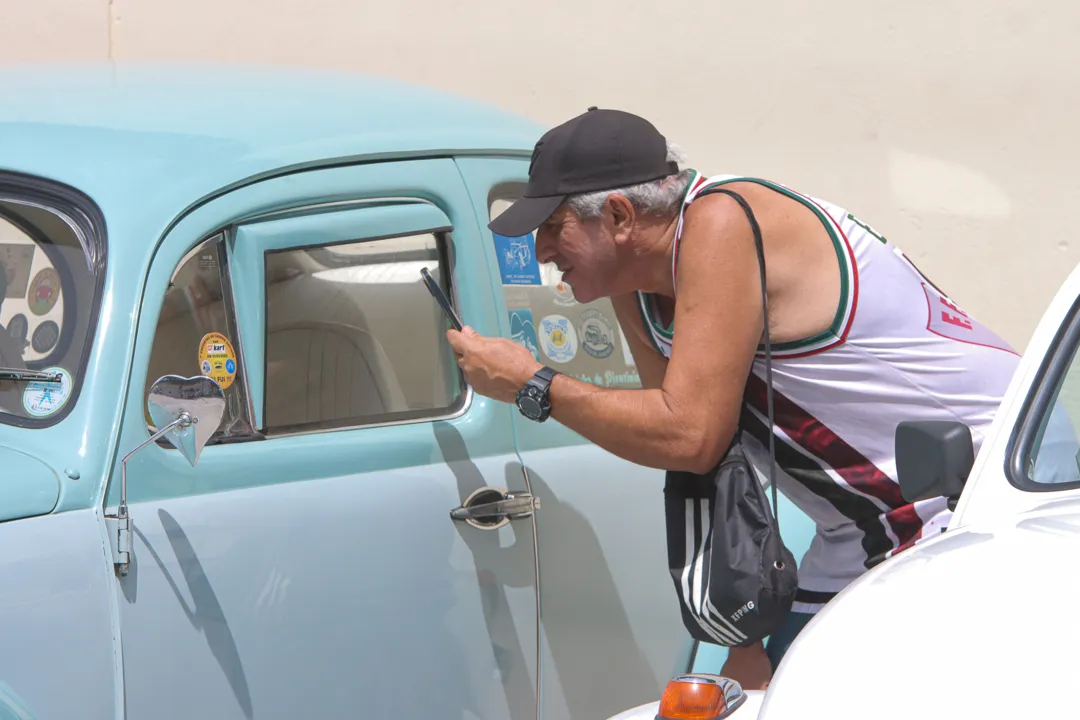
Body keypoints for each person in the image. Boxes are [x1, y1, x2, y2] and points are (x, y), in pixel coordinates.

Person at [445, 107, 1029, 688]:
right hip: (864, 530)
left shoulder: (722, 222)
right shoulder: (634, 280)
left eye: (553, 226)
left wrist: (533, 382)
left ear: (620, 216)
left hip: (974, 504)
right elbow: (690, 452)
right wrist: (743, 635)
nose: (540, 248)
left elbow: (688, 434)